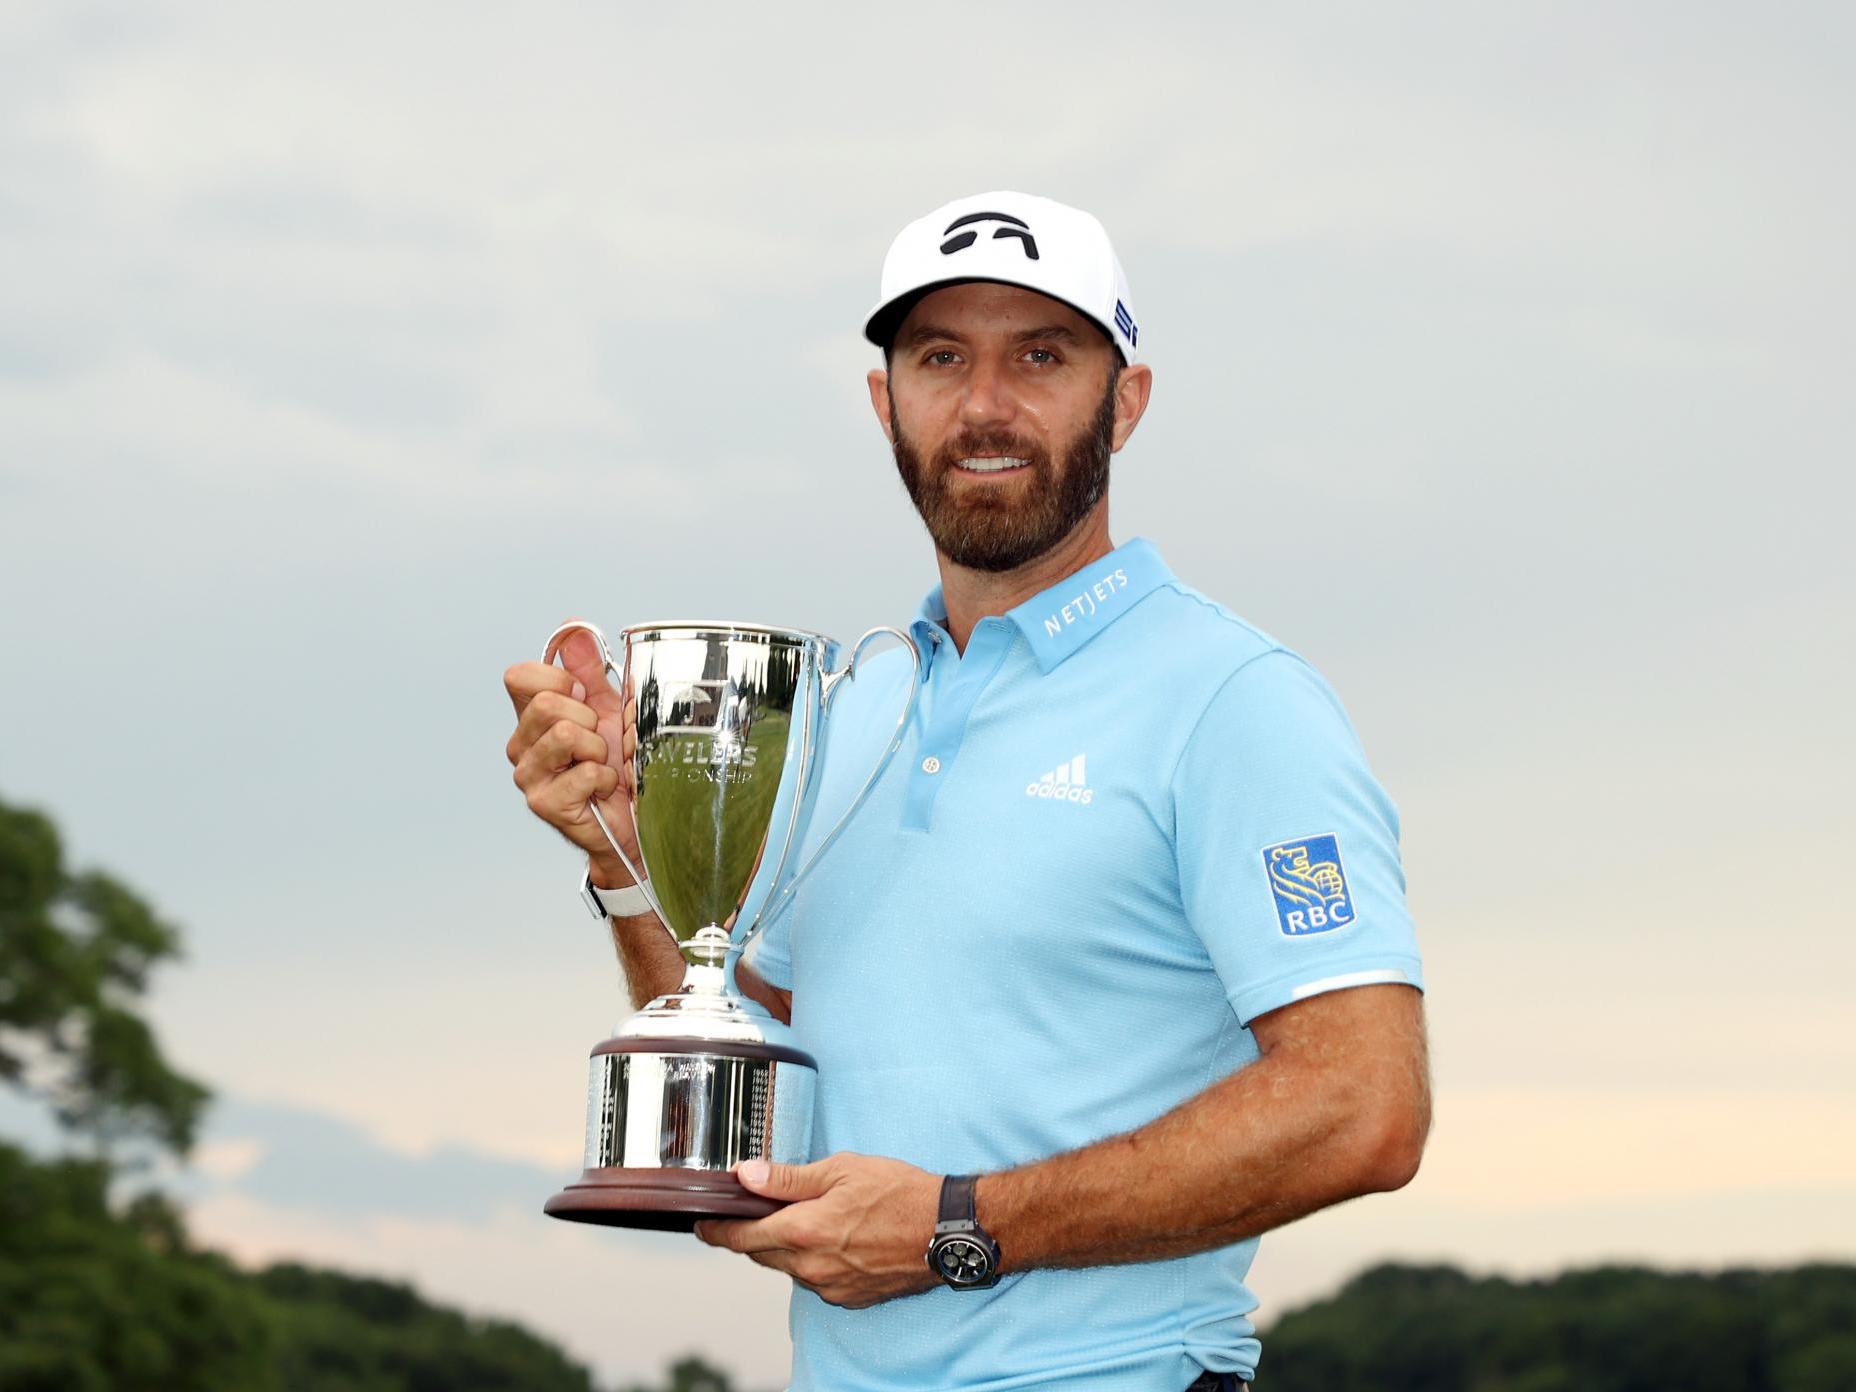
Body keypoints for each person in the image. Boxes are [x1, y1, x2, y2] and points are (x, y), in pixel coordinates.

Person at [504, 191, 1430, 1392]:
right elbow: (764, 1063)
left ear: (1125, 400)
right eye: (941, 358)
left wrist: (958, 1224)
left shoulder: (1233, 702)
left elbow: (1364, 1107)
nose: (984, 405)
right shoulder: (849, 707)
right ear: (886, 401)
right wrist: (630, 861)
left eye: (1039, 357)